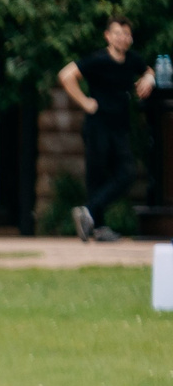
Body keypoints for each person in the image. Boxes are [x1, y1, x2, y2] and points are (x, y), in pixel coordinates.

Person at [60, 17, 155, 241]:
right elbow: (66, 75)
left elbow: (148, 69)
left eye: (127, 34)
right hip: (97, 126)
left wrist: (149, 78)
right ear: (108, 36)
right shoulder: (97, 60)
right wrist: (84, 102)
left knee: (127, 173)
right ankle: (98, 228)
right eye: (118, 33)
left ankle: (89, 212)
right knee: (97, 176)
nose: (123, 38)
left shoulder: (132, 60)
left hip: (120, 127)